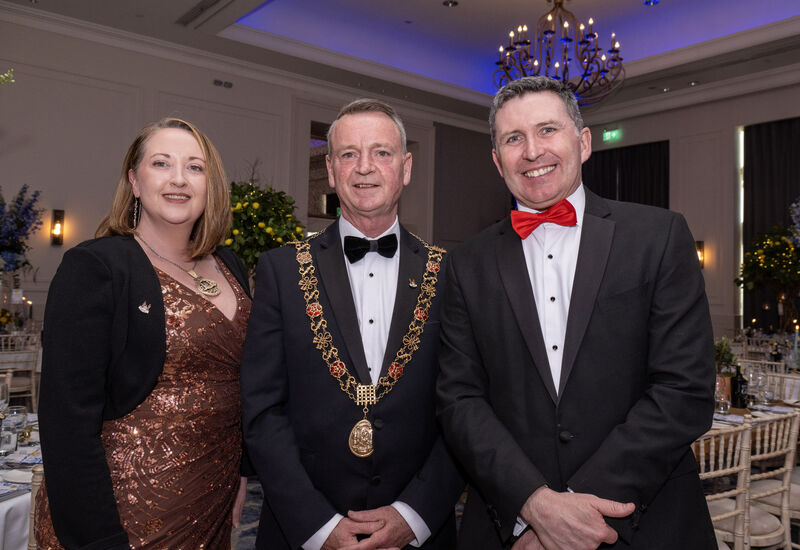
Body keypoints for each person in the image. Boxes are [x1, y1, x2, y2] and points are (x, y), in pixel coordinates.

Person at [436, 76, 716, 550]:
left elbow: (684, 390)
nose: (532, 151)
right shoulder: (465, 263)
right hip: (513, 529)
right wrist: (534, 507)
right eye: (513, 138)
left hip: (645, 522)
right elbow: (459, 400)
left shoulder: (659, 236)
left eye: (548, 130)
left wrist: (573, 513)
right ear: (496, 159)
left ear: (583, 142)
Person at [241, 98, 463, 550]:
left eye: (381, 153)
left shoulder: (451, 274)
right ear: (330, 168)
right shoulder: (281, 271)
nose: (364, 168)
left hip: (421, 532)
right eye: (348, 154)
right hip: (299, 531)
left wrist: (414, 515)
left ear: (405, 167)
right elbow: (263, 411)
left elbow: (466, 409)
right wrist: (318, 526)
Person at [36, 117, 252, 549]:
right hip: (121, 509)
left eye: (195, 167)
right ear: (134, 181)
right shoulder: (97, 267)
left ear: (212, 184)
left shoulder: (232, 265)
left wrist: (242, 472)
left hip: (214, 495)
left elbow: (244, 385)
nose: (179, 179)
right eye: (161, 163)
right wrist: (98, 540)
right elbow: (66, 424)